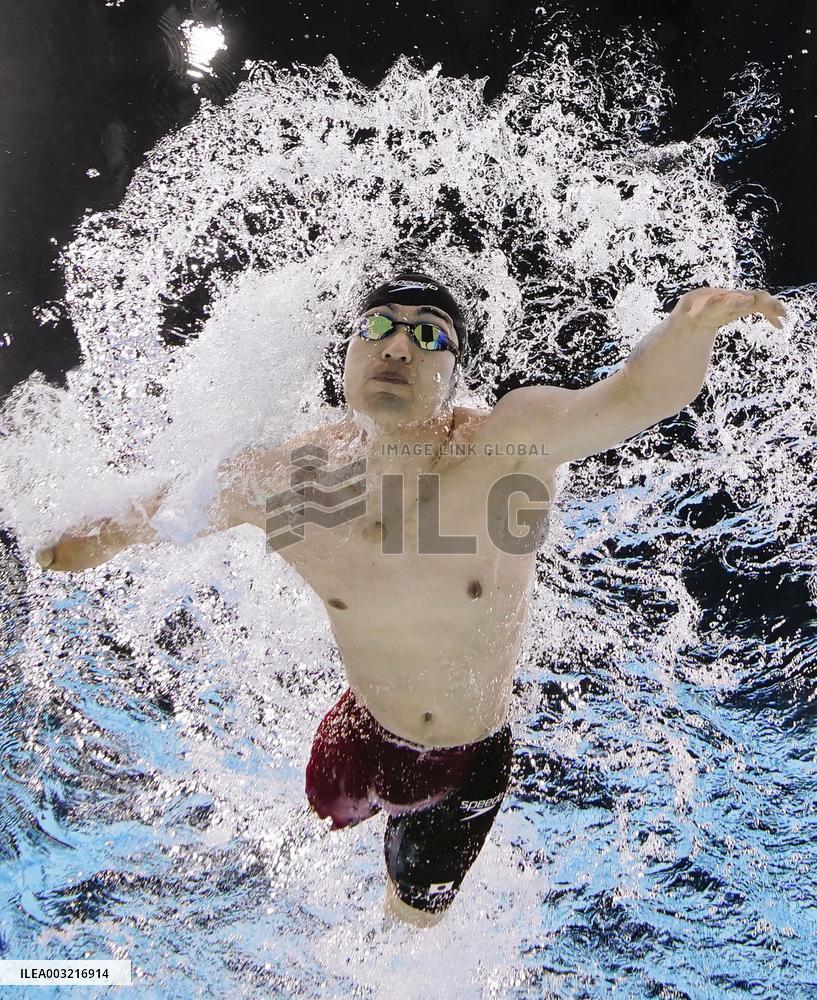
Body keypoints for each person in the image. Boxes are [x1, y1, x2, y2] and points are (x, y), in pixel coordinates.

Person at [35, 271, 787, 927]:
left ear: (454, 375)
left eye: (428, 336)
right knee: (311, 844)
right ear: (350, 357)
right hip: (354, 729)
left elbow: (633, 394)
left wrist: (689, 329)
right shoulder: (284, 480)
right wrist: (56, 545)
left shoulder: (505, 452)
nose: (398, 346)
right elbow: (137, 522)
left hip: (455, 767)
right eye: (378, 329)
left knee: (407, 924)